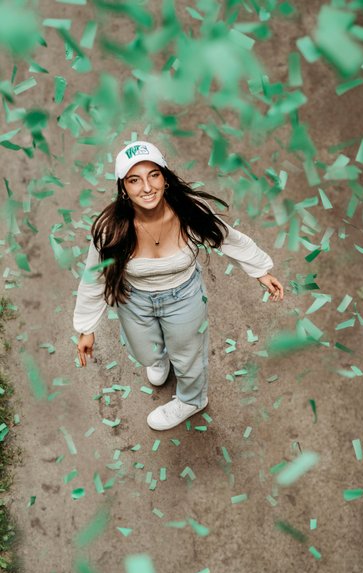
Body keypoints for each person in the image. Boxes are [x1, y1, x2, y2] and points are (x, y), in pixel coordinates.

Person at [73, 140, 284, 431]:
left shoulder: (189, 211)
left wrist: (260, 269)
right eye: (135, 180)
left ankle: (192, 400)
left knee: (188, 355)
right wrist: (87, 328)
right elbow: (94, 276)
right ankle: (160, 358)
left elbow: (227, 237)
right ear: (123, 188)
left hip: (183, 295)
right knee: (145, 353)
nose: (147, 187)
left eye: (154, 175)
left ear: (165, 178)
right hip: (133, 299)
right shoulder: (111, 228)